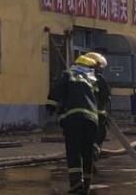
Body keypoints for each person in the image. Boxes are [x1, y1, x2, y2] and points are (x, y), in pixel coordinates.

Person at [47, 52, 105, 194]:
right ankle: (87, 186)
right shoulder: (93, 79)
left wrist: (50, 107)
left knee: (74, 152)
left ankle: (76, 184)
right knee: (87, 153)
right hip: (91, 121)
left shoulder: (68, 75)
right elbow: (101, 102)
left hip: (74, 119)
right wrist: (99, 139)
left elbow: (56, 92)